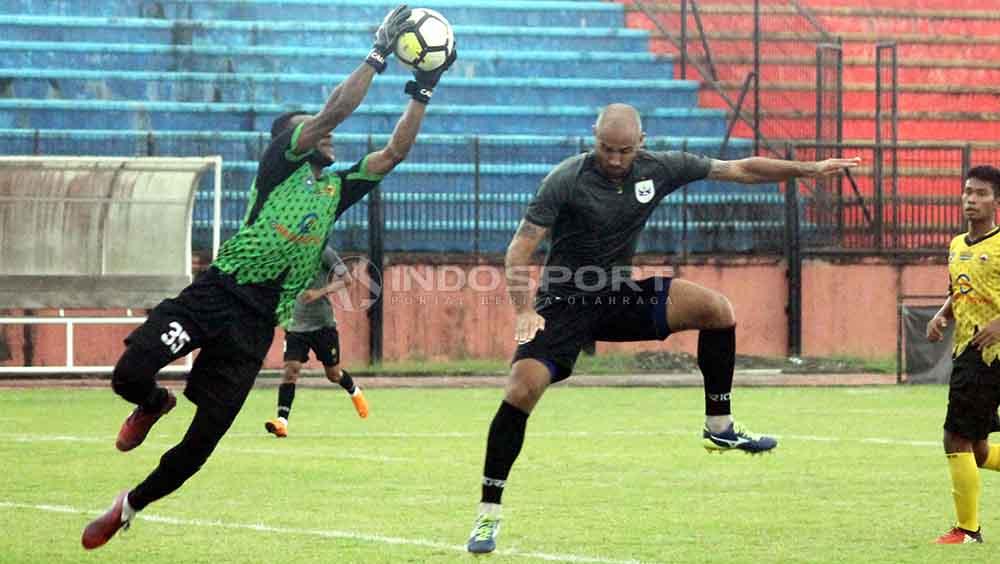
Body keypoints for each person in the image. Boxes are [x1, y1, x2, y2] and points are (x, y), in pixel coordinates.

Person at [82, 4, 456, 549]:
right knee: (128, 374)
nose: (322, 134)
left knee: (201, 445)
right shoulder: (280, 162)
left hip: (257, 325)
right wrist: (377, 54)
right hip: (213, 295)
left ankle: (129, 506)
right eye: (309, 130)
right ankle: (152, 402)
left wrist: (423, 88)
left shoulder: (336, 188)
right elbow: (329, 116)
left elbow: (394, 152)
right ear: (293, 141)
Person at [465, 103, 861, 554]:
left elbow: (742, 170)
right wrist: (522, 310)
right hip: (564, 301)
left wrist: (809, 168)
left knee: (716, 310)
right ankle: (487, 516)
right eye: (606, 149)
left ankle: (720, 425)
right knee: (520, 391)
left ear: (642, 142)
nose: (615, 159)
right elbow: (519, 250)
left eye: (624, 150)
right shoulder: (566, 178)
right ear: (593, 138)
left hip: (618, 296)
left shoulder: (661, 167)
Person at [926, 165, 1000, 544]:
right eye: (968, 192)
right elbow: (960, 291)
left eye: (982, 193)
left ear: (997, 201)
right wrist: (942, 314)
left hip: (989, 356)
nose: (972, 199)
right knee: (979, 447)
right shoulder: (957, 245)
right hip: (967, 352)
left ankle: (968, 530)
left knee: (955, 438)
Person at [265, 246, 368, 439]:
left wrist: (319, 292)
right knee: (290, 370)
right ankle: (281, 422)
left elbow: (347, 280)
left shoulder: (324, 252)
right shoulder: (288, 251)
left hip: (323, 325)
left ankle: (354, 391)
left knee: (334, 374)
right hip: (296, 325)